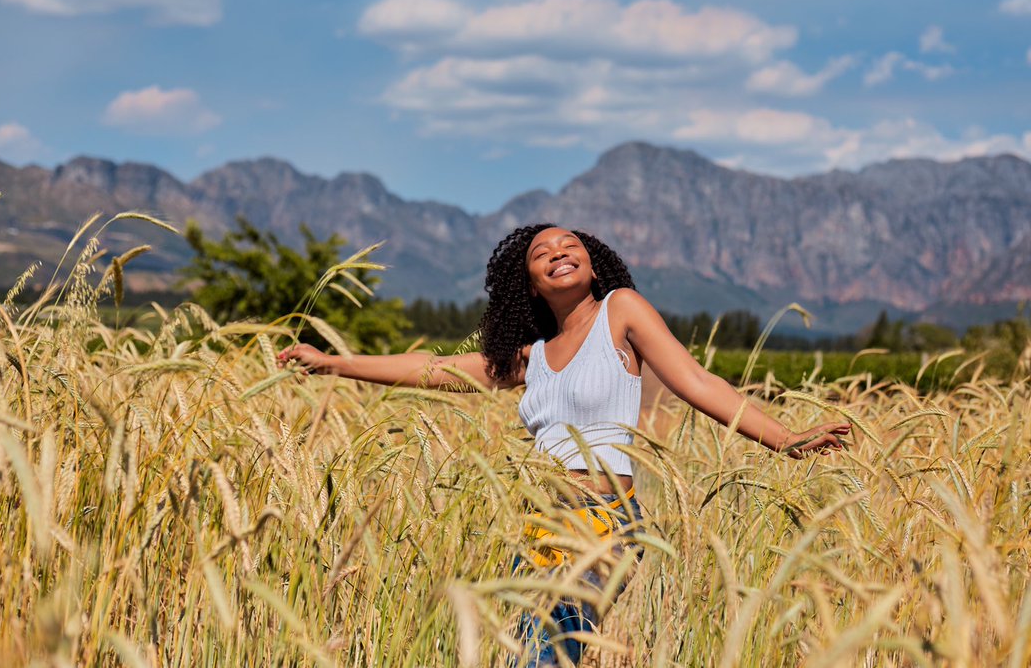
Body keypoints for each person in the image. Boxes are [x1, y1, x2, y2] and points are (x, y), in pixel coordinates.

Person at [277, 223, 851, 666]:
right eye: (541, 252)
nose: (557, 250)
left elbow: (698, 382)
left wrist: (784, 438)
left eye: (569, 244)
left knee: (545, 653)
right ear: (528, 283)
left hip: (606, 521)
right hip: (541, 525)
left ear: (592, 264)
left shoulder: (620, 311)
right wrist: (332, 363)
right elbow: (434, 368)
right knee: (534, 652)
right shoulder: (531, 358)